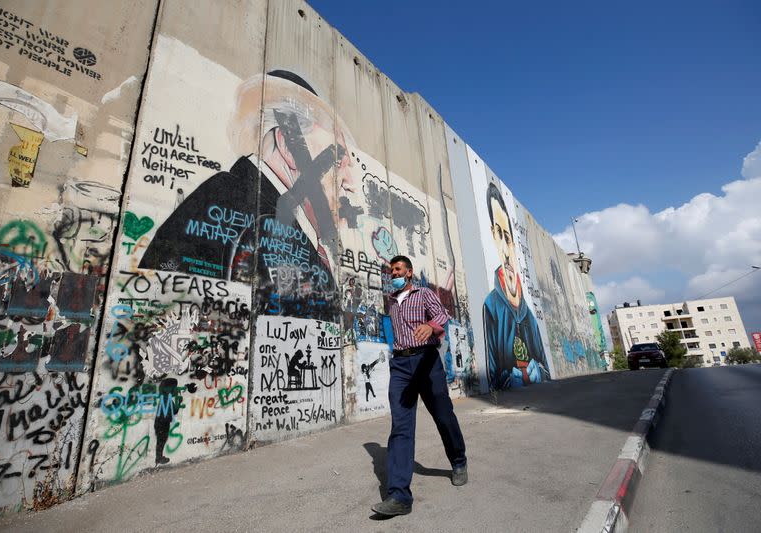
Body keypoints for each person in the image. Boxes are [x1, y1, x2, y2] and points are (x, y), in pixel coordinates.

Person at [138, 70, 355, 321]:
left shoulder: (269, 212)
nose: (349, 183)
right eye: (336, 162)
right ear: (288, 146)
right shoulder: (234, 203)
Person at [371, 255, 467, 517]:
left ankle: (458, 460)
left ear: (409, 272)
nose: (394, 274)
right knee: (400, 427)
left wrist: (430, 326)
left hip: (427, 361)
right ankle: (399, 496)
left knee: (443, 416)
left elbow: (442, 316)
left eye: (398, 270)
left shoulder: (423, 294)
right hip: (401, 366)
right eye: (391, 272)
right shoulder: (390, 301)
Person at [483, 182, 549, 390]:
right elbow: (490, 376)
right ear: (493, 236)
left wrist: (539, 371)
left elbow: (546, 367)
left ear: (513, 244)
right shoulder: (491, 306)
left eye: (508, 238)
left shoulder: (529, 314)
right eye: (499, 235)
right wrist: (507, 379)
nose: (504, 248)